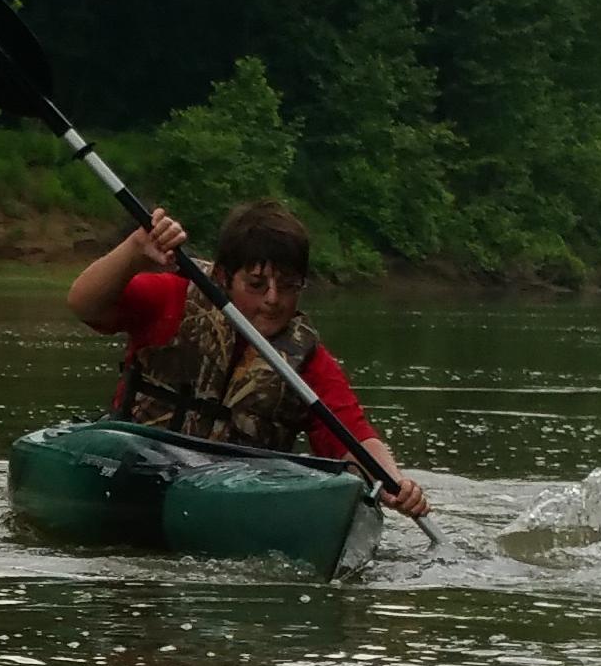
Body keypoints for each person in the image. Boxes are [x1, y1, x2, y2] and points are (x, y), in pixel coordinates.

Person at [66, 192, 430, 518]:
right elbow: (84, 304)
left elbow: (354, 436)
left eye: (289, 286)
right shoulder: (171, 298)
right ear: (224, 277)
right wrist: (133, 250)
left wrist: (394, 483)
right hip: (136, 469)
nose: (273, 299)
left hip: (228, 495)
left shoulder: (306, 360)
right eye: (257, 285)